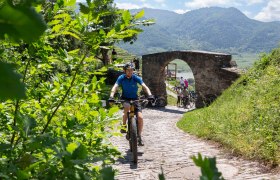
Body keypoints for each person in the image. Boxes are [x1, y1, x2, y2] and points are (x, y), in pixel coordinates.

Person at [109, 63, 154, 146]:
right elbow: (115, 86)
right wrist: (111, 96)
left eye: (131, 70)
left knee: (140, 117)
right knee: (127, 107)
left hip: (135, 99)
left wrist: (150, 95)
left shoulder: (135, 77)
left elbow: (144, 86)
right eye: (128, 70)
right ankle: (124, 126)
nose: (130, 72)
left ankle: (139, 136)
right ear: (124, 71)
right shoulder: (121, 78)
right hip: (125, 98)